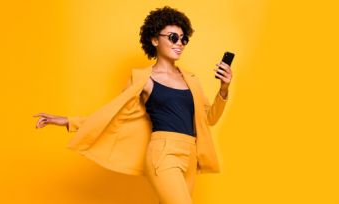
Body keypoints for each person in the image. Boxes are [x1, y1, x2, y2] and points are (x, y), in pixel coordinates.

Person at [34, 6, 232, 204]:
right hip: (163, 153)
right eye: (173, 37)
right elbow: (113, 115)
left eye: (183, 39)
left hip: (190, 155)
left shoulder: (191, 80)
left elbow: (209, 119)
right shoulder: (143, 79)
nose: (179, 43)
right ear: (155, 40)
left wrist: (224, 88)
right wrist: (68, 121)